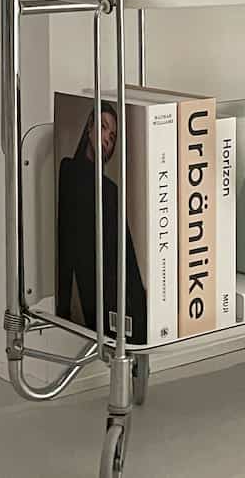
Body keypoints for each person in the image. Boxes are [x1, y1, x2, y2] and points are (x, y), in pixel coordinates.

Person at [56, 102, 147, 344]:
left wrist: (145, 306)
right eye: (104, 127)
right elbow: (63, 243)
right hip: (91, 297)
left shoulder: (112, 190)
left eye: (113, 135)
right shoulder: (68, 171)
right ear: (89, 127)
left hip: (117, 295)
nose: (107, 138)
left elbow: (127, 255)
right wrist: (61, 309)